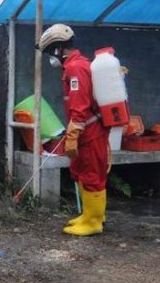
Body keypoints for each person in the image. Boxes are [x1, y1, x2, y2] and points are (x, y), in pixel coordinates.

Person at [37, 24, 109, 237]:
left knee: (90, 174)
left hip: (89, 132)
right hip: (87, 131)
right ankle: (89, 215)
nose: (51, 57)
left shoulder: (75, 68)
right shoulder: (75, 65)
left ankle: (94, 221)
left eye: (51, 51)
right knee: (81, 171)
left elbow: (80, 106)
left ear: (59, 48)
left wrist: (74, 134)